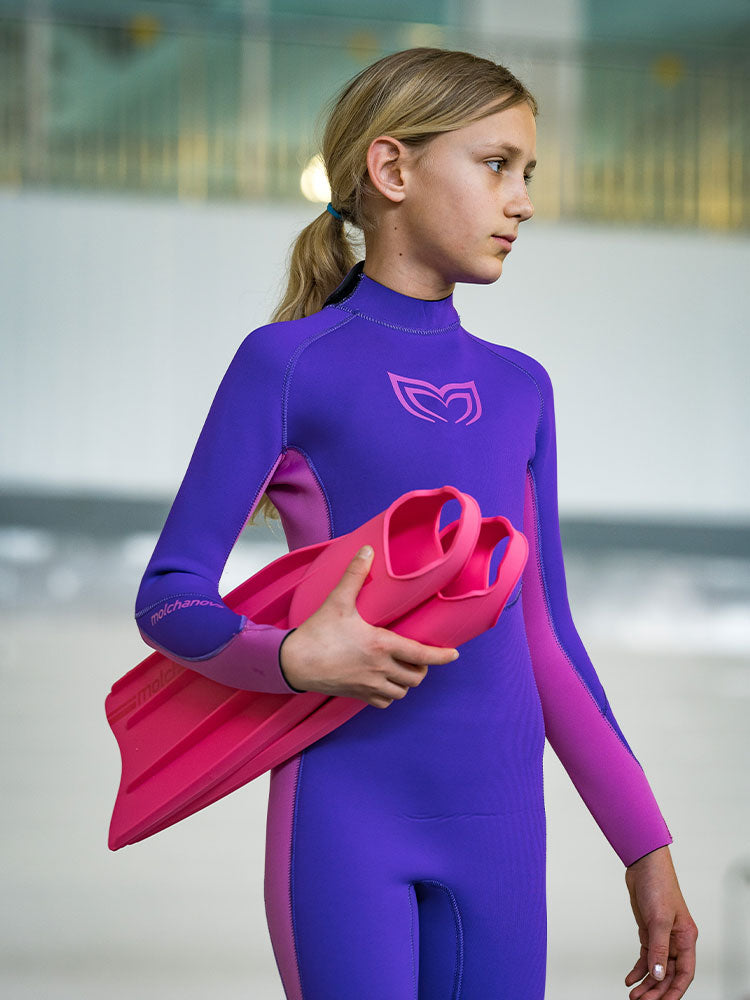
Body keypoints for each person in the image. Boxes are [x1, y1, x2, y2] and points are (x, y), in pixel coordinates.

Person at [135, 47, 698, 1000]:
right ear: (392, 170)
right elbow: (170, 596)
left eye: (528, 174)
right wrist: (289, 657)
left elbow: (545, 635)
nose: (522, 201)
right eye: (495, 165)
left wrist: (645, 846)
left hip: (505, 835)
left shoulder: (522, 389)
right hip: (346, 820)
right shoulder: (287, 366)